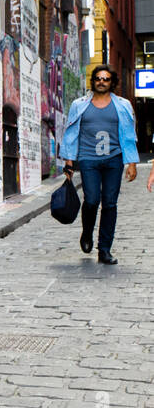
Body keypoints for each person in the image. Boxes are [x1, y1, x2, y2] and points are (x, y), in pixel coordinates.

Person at [61, 64, 139, 264]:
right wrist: (69, 161)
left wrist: (132, 163)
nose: (101, 82)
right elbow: (71, 134)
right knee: (92, 200)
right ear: (93, 81)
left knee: (110, 204)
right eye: (98, 78)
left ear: (112, 82)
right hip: (88, 160)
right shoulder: (80, 105)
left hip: (114, 159)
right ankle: (87, 233)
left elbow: (129, 135)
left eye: (106, 79)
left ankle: (104, 249)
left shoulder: (123, 105)